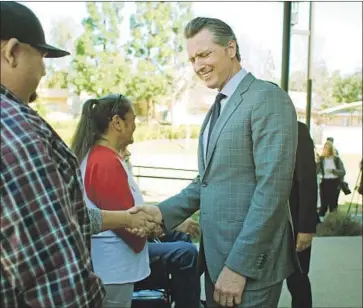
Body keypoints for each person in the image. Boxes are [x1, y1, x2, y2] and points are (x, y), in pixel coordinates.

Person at [0, 2, 158, 307]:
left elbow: (58, 215)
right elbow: (55, 276)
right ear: (12, 51)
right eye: (42, 57)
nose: (45, 70)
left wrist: (126, 217)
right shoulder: (14, 132)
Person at [151, 17, 298, 307]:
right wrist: (159, 214)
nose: (197, 66)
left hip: (247, 268)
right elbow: (208, 181)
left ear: (231, 49)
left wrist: (239, 267)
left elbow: (272, 191)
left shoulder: (267, 98)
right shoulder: (219, 105)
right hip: (217, 261)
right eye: (192, 59)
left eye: (204, 54)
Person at [70, 94, 153, 308]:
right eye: (132, 118)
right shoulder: (104, 161)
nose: (135, 124)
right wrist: (152, 227)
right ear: (117, 122)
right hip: (113, 270)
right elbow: (128, 223)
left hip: (109, 268)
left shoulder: (103, 156)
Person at [287, 121, 318, 308]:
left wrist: (306, 228)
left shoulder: (297, 130)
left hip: (294, 222)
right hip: (259, 223)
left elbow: (307, 181)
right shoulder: (250, 127)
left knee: (297, 279)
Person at [317, 141, 346, 217]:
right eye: (324, 148)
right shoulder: (322, 160)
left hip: (334, 183)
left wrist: (333, 171)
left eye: (327, 148)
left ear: (330, 149)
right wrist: (317, 163)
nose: (325, 149)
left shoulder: (336, 159)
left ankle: (333, 222)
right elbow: (316, 171)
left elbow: (343, 172)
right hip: (325, 182)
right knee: (323, 204)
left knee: (333, 205)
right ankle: (321, 224)